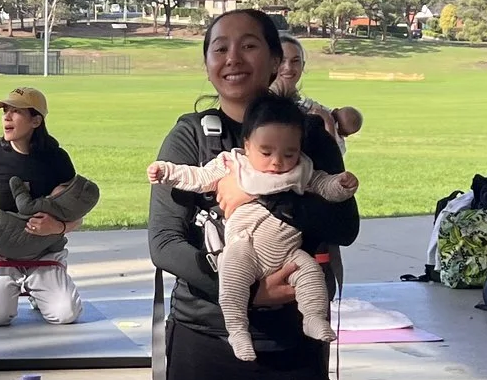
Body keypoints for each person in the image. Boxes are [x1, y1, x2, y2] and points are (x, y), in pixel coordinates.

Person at [149, 10, 357, 380]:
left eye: (248, 46)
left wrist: (260, 194)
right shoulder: (190, 137)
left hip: (290, 339)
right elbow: (164, 243)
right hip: (207, 332)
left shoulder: (308, 133)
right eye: (219, 48)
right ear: (206, 62)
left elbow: (344, 223)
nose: (232, 59)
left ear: (274, 60)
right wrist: (245, 291)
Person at [147, 94, 357, 361]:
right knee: (232, 277)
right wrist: (167, 172)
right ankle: (237, 330)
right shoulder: (233, 164)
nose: (277, 162)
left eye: (288, 153)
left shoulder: (302, 167)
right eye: (266, 152)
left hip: (288, 254)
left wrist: (342, 186)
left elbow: (324, 186)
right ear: (247, 145)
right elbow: (197, 178)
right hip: (244, 245)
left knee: (311, 275)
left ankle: (313, 318)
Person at [0, 87, 88, 326]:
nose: (6, 117)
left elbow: (77, 213)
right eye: (5, 111)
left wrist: (58, 227)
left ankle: (39, 288)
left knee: (65, 314)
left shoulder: (57, 159)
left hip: (44, 250)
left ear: (36, 120)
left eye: (16, 112)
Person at [275, 35, 362, 142]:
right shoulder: (260, 103)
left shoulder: (309, 107)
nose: (288, 67)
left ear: (303, 65)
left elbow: (334, 154)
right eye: (282, 60)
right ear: (270, 63)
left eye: (295, 61)